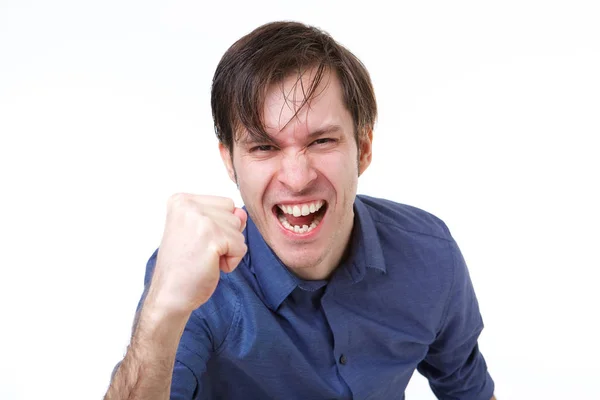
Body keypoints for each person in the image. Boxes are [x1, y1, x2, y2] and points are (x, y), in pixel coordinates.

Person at [104, 21, 496, 400]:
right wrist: (161, 314)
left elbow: (468, 389)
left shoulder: (430, 254)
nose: (296, 178)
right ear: (230, 163)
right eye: (263, 147)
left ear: (363, 148)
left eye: (322, 141)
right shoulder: (199, 281)